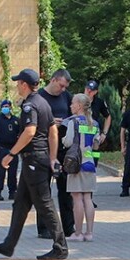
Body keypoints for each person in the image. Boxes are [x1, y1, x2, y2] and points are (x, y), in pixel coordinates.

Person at [0, 69, 68, 260]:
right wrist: (52, 157)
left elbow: (30, 132)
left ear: (24, 84)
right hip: (38, 159)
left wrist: (11, 154)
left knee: (45, 204)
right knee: (21, 204)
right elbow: (53, 132)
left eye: (18, 83)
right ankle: (9, 244)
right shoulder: (43, 103)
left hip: (34, 160)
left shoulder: (30, 105)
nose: (16, 86)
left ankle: (61, 247)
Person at [37, 68, 76, 240]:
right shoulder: (39, 97)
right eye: (61, 86)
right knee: (43, 189)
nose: (62, 90)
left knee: (66, 189)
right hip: (44, 148)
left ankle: (68, 227)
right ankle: (44, 227)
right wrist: (51, 123)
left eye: (65, 87)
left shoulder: (66, 97)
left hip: (63, 147)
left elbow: (73, 114)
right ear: (53, 80)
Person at [61, 94, 101, 241]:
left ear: (78, 105)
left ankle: (77, 233)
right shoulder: (94, 123)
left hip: (76, 163)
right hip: (90, 162)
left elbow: (68, 142)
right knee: (88, 198)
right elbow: (97, 144)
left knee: (77, 198)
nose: (70, 106)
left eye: (72, 103)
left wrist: (63, 139)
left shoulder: (73, 122)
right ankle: (89, 233)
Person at [0, 99, 19, 200]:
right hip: (1, 149)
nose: (5, 108)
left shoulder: (16, 120)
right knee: (0, 172)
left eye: (7, 106)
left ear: (11, 107)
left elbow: (20, 134)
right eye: (4, 106)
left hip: (13, 149)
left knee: (12, 173)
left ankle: (12, 192)